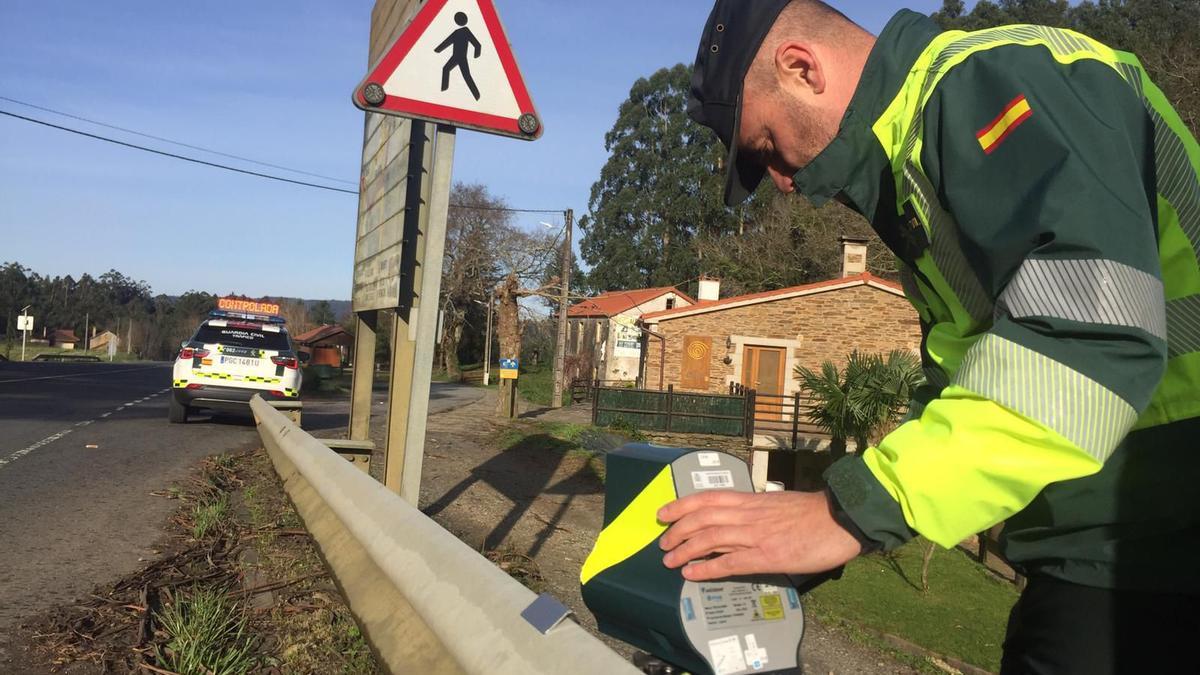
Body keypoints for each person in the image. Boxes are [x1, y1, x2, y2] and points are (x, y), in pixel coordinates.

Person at [661, 1, 1200, 672]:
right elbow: (975, 387)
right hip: (1101, 540)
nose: (781, 180)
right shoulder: (920, 169)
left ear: (801, 68)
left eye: (766, 146)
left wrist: (847, 513)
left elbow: (1092, 336)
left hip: (1158, 535)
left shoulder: (1003, 81)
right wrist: (816, 535)